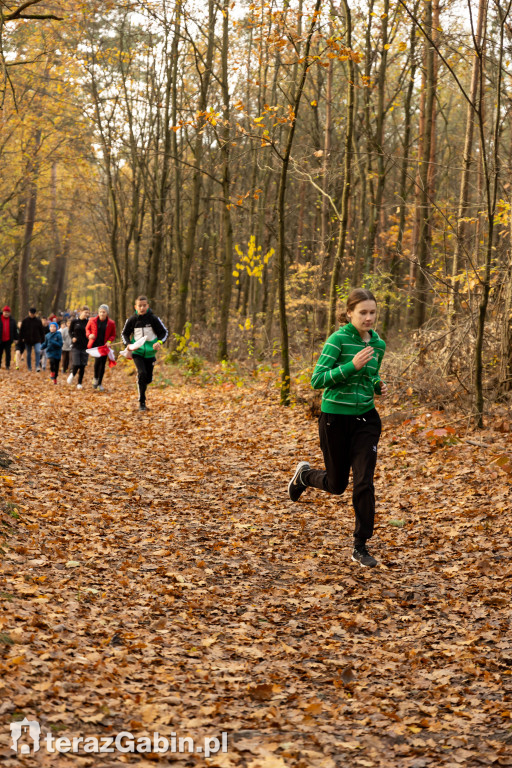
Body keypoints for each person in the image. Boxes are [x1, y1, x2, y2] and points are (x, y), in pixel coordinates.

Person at [287, 288, 387, 568]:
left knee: (364, 481)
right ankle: (305, 476)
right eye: (363, 312)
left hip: (366, 419)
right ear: (349, 314)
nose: (369, 318)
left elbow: (373, 374)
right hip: (335, 419)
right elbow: (317, 380)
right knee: (337, 484)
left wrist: (378, 385)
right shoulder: (338, 340)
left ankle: (360, 546)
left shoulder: (378, 344)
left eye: (372, 312)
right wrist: (351, 367)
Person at [121, 295, 168, 411]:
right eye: (139, 306)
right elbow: (124, 334)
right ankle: (142, 401)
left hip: (150, 354)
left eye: (144, 306)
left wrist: (159, 343)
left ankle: (144, 382)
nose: (142, 308)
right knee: (141, 373)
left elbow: (164, 333)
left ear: (147, 306)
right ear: (135, 306)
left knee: (148, 379)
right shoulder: (132, 320)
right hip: (137, 352)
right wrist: (128, 344)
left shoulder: (153, 319)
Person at [85, 304, 116, 391]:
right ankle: (95, 378)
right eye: (100, 312)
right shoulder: (92, 320)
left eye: (104, 312)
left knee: (102, 364)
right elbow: (87, 329)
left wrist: (109, 341)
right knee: (97, 362)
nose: (102, 314)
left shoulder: (111, 323)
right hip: (95, 345)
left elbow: (113, 335)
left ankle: (99, 383)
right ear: (98, 312)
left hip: (104, 346)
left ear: (107, 313)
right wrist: (89, 335)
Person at [67, 307, 90, 389]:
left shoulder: (88, 322)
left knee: (83, 365)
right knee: (76, 363)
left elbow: (91, 332)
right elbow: (70, 331)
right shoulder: (74, 321)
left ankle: (79, 383)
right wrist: (72, 337)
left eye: (88, 313)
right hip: (76, 346)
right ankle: (72, 374)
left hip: (85, 346)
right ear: (80, 312)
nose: (87, 314)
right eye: (85, 312)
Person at [20, 307, 45, 372]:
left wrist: (43, 340)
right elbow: (21, 330)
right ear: (29, 313)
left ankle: (37, 366)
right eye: (31, 313)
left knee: (37, 351)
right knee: (29, 353)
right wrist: (21, 339)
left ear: (35, 314)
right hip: (27, 340)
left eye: (33, 314)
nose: (32, 315)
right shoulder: (25, 320)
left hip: (37, 339)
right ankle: (29, 367)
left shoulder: (38, 321)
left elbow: (42, 331)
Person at [41, 320, 63, 384]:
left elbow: (60, 344)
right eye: (51, 326)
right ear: (49, 328)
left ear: (56, 328)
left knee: (56, 366)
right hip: (50, 352)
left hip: (57, 353)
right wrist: (41, 347)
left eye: (54, 327)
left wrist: (53, 342)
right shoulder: (47, 335)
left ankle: (55, 378)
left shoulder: (58, 335)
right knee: (51, 362)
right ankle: (52, 373)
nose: (52, 328)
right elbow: (45, 343)